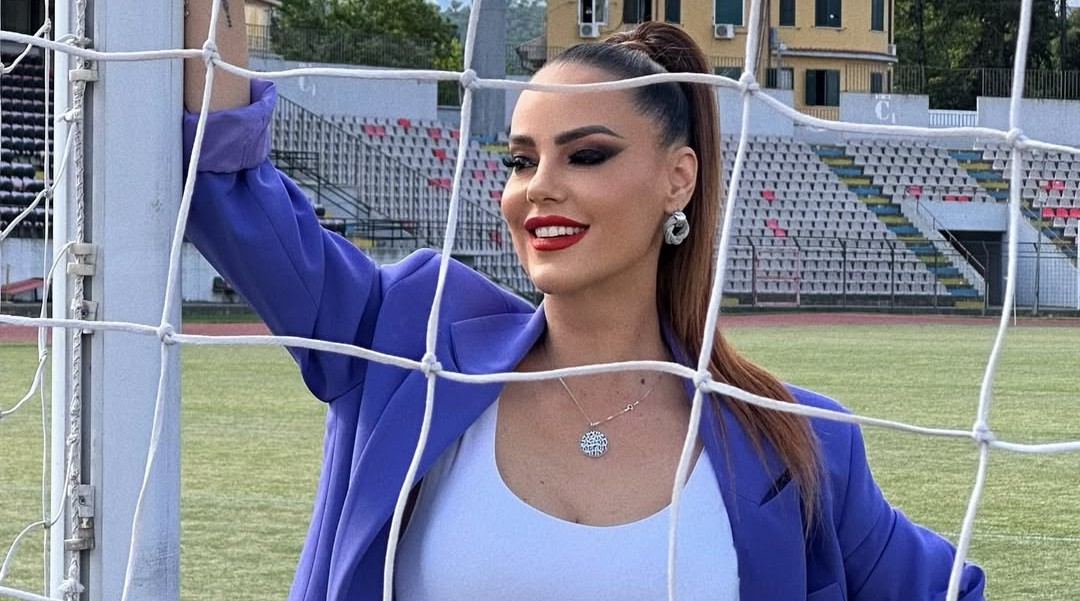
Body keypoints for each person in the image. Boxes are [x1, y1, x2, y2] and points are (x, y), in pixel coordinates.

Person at [183, 3, 985, 600]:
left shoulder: (796, 442)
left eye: (586, 155)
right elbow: (227, 188)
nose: (538, 188)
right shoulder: (408, 342)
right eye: (521, 159)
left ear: (679, 178)